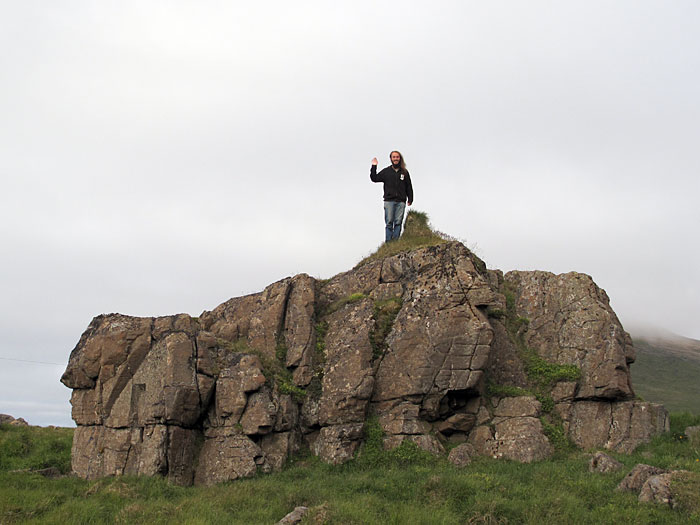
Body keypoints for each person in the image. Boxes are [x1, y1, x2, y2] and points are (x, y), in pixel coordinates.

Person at [370, 151, 414, 242]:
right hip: (389, 201)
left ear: (400, 158)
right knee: (389, 222)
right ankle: (389, 242)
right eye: (394, 157)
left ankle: (395, 242)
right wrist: (374, 166)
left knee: (398, 222)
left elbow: (409, 186)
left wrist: (410, 198)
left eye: (397, 157)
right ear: (391, 159)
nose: (395, 159)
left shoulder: (404, 172)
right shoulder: (387, 171)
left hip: (401, 201)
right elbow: (374, 178)